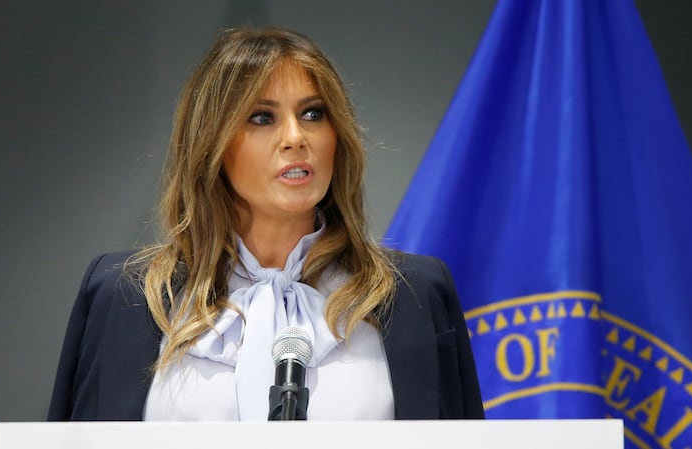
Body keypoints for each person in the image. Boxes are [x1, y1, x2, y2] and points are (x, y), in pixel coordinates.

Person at [47, 27, 483, 421]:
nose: (296, 137)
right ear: (211, 144)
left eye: (313, 113)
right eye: (262, 117)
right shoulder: (120, 295)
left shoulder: (418, 295)